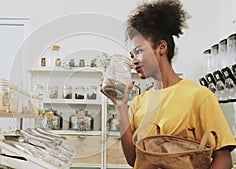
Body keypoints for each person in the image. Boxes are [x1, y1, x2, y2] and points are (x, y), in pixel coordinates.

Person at [100, 0, 236, 168]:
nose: (134, 60)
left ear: (161, 47)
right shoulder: (138, 103)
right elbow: (133, 160)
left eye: (139, 51)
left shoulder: (200, 96)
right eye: (131, 55)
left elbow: (223, 158)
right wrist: (121, 106)